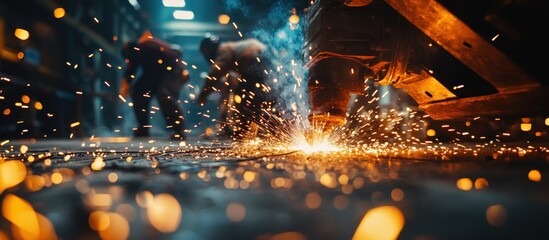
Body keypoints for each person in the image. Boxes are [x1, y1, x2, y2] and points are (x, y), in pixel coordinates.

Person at [197, 34, 274, 136]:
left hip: (255, 59)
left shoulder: (223, 50)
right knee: (261, 96)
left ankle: (244, 130)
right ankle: (264, 127)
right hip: (264, 57)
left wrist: (203, 95)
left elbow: (214, 74)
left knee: (243, 96)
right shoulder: (233, 49)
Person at [120, 36, 189, 140]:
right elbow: (131, 70)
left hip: (173, 71)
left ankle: (179, 130)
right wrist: (127, 85)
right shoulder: (140, 50)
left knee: (164, 94)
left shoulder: (146, 48)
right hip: (160, 72)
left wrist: (128, 85)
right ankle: (143, 128)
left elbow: (134, 69)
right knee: (138, 92)